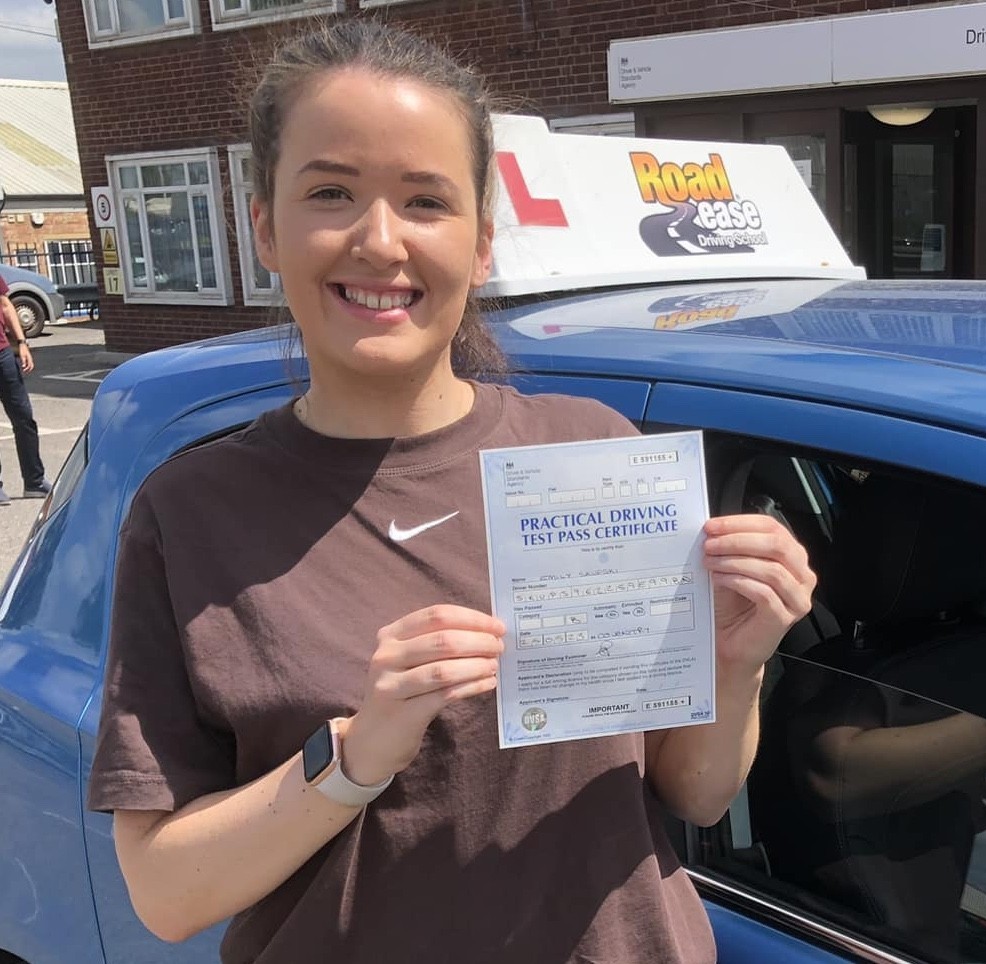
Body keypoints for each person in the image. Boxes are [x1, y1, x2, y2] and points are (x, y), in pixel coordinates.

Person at [86, 20, 816, 964]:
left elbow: (691, 793)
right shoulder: (190, 513)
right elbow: (165, 894)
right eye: (331, 192)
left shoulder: (591, 451)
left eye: (425, 200)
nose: (380, 241)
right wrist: (346, 761)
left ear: (480, 244)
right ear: (264, 224)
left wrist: (736, 661)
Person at [0, 274, 50, 506]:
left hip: (2, 355)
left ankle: (34, 482)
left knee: (24, 418)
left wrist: (21, 343)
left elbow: (5, 303)